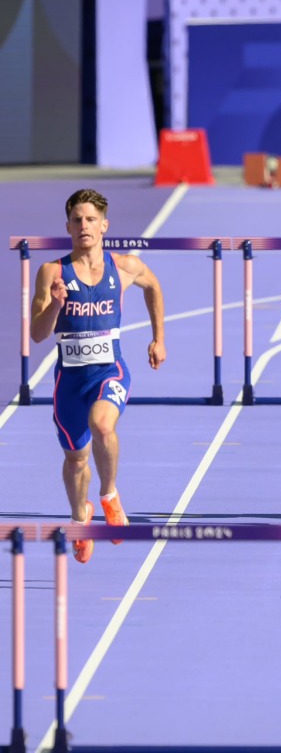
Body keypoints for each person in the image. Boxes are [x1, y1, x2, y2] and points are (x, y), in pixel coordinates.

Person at [29, 189, 166, 564]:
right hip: (69, 380)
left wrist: (158, 338)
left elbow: (153, 285)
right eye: (77, 219)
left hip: (110, 369)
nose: (83, 225)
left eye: (90, 219)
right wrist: (56, 304)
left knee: (103, 424)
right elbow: (38, 334)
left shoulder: (123, 267)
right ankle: (80, 518)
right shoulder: (51, 272)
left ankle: (109, 496)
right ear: (67, 227)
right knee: (76, 459)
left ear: (104, 226)